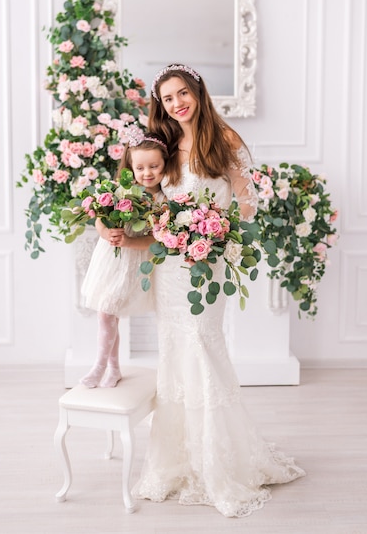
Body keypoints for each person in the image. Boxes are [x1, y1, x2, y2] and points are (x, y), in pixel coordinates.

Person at [132, 64, 306, 517]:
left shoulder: (224, 141)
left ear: (197, 92)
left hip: (207, 267)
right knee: (174, 353)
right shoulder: (164, 145)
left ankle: (218, 465)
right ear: (161, 105)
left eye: (182, 93)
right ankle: (178, 460)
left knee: (202, 347)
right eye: (167, 99)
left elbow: (246, 207)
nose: (176, 104)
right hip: (171, 269)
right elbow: (155, 204)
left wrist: (211, 238)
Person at [79, 132, 168, 388]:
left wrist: (129, 242)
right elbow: (99, 217)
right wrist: (106, 231)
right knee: (107, 314)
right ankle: (110, 367)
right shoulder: (119, 190)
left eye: (154, 166)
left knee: (109, 313)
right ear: (130, 168)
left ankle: (102, 366)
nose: (147, 173)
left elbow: (156, 238)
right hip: (110, 260)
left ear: (165, 164)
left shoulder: (162, 201)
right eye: (139, 168)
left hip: (133, 262)